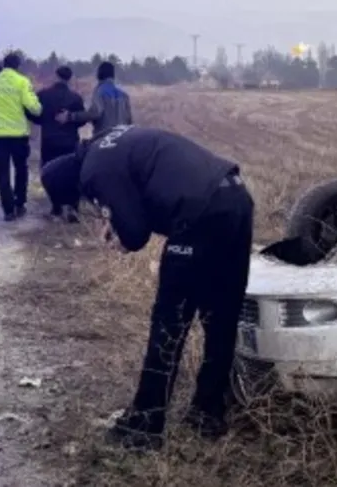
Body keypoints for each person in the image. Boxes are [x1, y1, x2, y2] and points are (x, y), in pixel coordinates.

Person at [40, 125, 254, 450]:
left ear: (73, 186)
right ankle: (208, 411)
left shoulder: (93, 172)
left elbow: (136, 234)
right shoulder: (106, 143)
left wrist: (120, 237)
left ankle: (145, 425)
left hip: (199, 213)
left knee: (169, 322)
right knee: (221, 316)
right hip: (236, 198)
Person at [0, 52, 42, 220]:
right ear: (18, 66)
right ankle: (20, 203)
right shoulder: (22, 82)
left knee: (2, 173)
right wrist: (39, 108)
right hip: (18, 135)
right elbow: (33, 107)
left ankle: (8, 210)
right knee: (21, 169)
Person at [29, 65, 86, 221]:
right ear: (70, 79)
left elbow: (33, 113)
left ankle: (56, 208)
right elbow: (81, 120)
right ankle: (73, 209)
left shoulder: (43, 95)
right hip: (69, 141)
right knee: (71, 175)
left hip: (50, 141)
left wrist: (44, 121)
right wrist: (70, 121)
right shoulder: (76, 98)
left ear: (56, 76)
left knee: (49, 173)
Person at [56, 61, 132, 138]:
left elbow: (95, 113)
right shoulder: (124, 95)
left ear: (99, 74)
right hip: (122, 139)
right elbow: (129, 120)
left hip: (104, 140)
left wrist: (70, 116)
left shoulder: (100, 92)